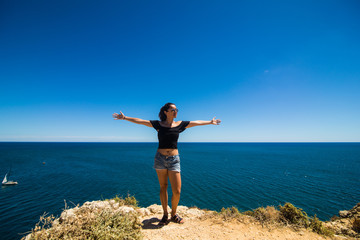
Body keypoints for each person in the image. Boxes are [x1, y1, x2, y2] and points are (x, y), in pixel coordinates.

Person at [112, 103, 221, 226]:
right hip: (160, 158)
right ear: (166, 112)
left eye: (176, 110)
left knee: (177, 191)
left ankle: (174, 214)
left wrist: (210, 122)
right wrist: (125, 118)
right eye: (173, 109)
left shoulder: (180, 124)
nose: (176, 111)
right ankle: (165, 214)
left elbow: (196, 122)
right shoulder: (158, 124)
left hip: (174, 159)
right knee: (163, 187)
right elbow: (141, 121)